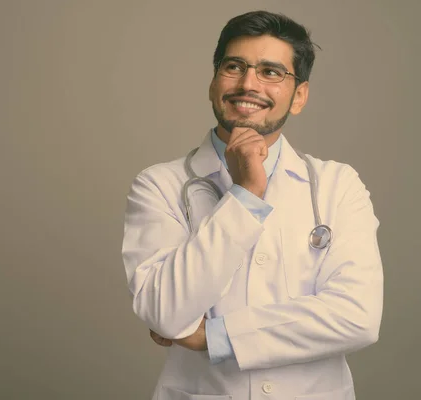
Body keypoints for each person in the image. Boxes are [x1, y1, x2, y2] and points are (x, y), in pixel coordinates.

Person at [121, 10, 383, 400]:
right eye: (234, 66)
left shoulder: (336, 185)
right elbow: (165, 312)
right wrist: (245, 196)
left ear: (299, 97)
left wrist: (216, 336)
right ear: (213, 84)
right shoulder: (160, 185)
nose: (248, 84)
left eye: (271, 72)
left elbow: (357, 318)